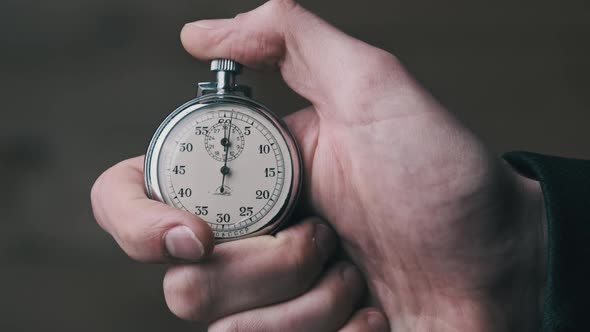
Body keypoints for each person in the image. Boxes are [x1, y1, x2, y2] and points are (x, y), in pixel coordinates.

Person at [91, 1, 589, 331]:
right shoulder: (235, 145)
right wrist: (536, 249)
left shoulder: (288, 148)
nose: (224, 172)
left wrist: (527, 249)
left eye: (228, 165)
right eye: (217, 163)